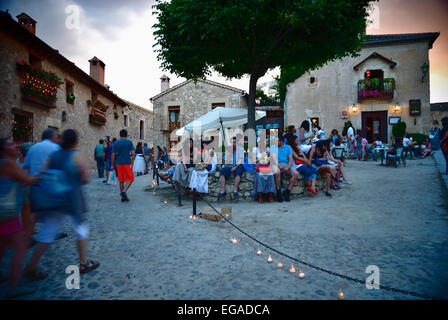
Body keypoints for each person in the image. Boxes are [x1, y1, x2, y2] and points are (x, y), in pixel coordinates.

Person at [23, 130, 99, 281]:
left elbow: (42, 173)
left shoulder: (54, 155)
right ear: (75, 141)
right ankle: (83, 263)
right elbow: (85, 179)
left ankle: (31, 266)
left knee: (48, 232)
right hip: (72, 199)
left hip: (54, 199)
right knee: (81, 230)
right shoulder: (76, 155)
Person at [0, 139, 38, 298]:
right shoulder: (9, 163)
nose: (14, 146)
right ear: (3, 150)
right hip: (7, 213)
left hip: (5, 212)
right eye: (9, 144)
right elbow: (28, 180)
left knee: (2, 245)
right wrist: (45, 171)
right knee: (21, 246)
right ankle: (12, 287)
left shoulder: (5, 163)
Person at [271, 134, 299, 202]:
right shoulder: (273, 147)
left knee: (296, 173)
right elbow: (274, 159)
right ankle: (278, 191)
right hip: (276, 164)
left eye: (277, 141)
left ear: (281, 141)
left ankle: (287, 191)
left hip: (286, 164)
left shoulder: (288, 147)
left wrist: (289, 167)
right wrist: (279, 166)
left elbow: (290, 158)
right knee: (277, 172)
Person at [111, 129, 135, 202]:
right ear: (126, 135)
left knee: (121, 180)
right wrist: (131, 155)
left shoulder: (116, 143)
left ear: (120, 135)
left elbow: (113, 154)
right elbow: (133, 153)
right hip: (127, 162)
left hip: (118, 163)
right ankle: (124, 192)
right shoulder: (129, 142)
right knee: (131, 179)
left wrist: (112, 165)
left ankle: (123, 197)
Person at [218, 136, 245, 200]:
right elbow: (226, 161)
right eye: (232, 142)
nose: (233, 144)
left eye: (234, 142)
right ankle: (223, 190)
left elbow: (241, 160)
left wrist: (235, 167)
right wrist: (228, 156)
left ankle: (235, 190)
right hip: (229, 165)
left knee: (238, 172)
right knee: (222, 171)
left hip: (238, 165)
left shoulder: (241, 149)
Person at [253, 136, 276, 203]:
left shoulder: (268, 149)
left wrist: (269, 155)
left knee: (271, 176)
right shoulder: (255, 149)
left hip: (266, 166)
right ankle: (260, 196)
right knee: (259, 176)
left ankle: (270, 196)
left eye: (266, 142)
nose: (266, 143)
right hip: (259, 167)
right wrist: (262, 157)